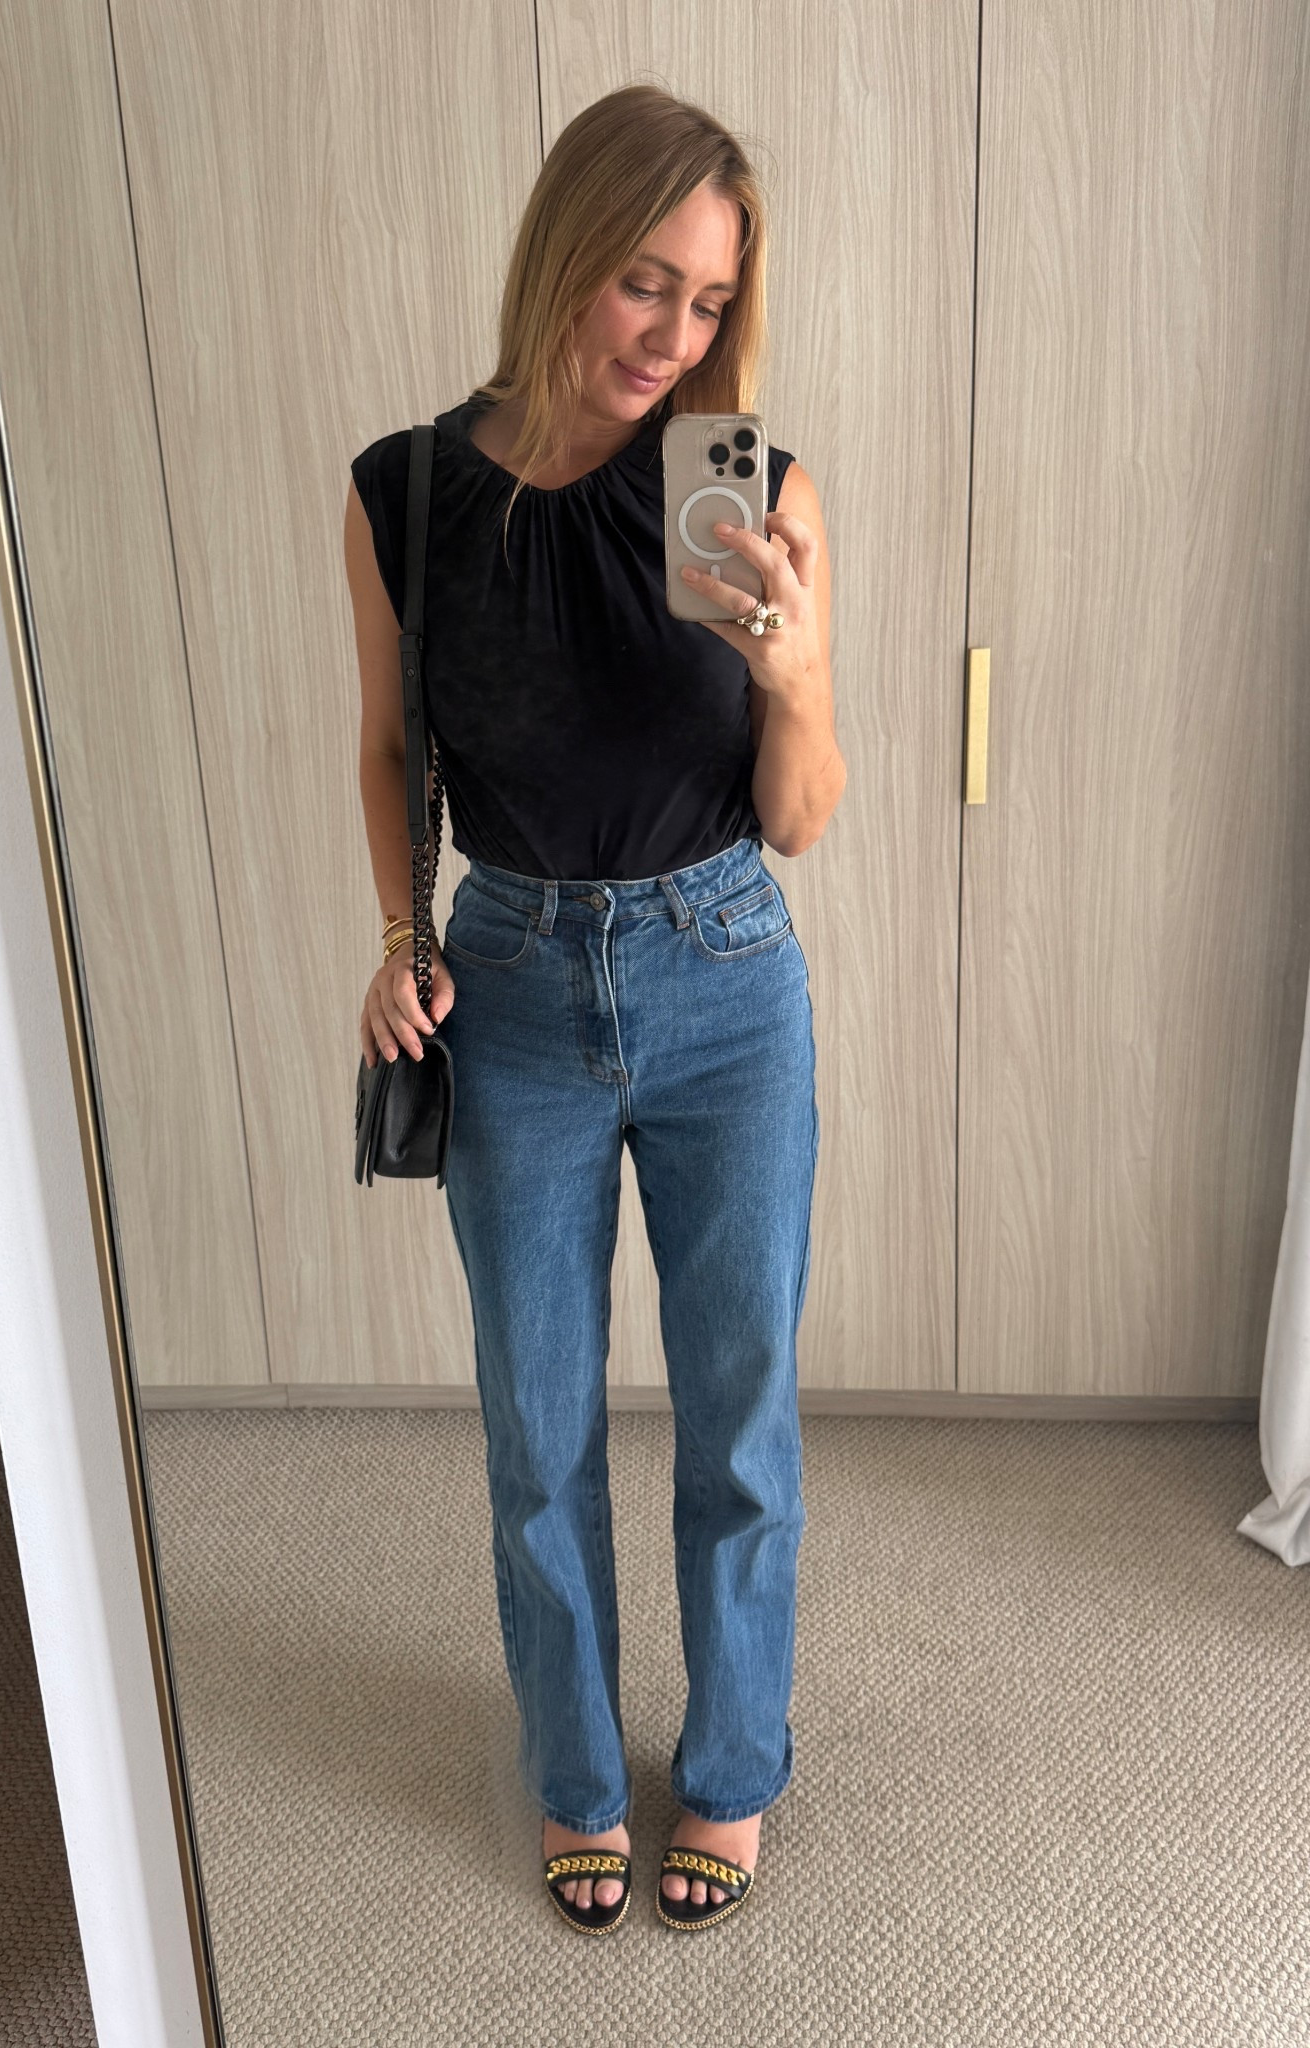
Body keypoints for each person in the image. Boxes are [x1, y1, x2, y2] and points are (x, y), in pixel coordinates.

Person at [345, 81, 843, 1936]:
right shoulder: (405, 492)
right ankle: (573, 1775)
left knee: (739, 1414)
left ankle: (731, 1767)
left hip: (726, 976)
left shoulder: (744, 485)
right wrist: (397, 936)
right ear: (564, 245)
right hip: (516, 979)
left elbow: (799, 817)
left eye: (708, 302)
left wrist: (797, 678)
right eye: (646, 282)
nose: (675, 338)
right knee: (536, 1421)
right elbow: (390, 744)